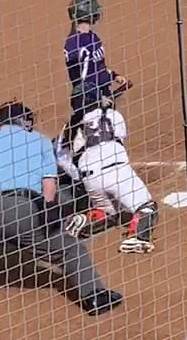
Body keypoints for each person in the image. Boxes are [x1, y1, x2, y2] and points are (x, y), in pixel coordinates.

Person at [0, 101, 122, 315]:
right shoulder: (40, 141)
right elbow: (49, 188)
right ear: (25, 122)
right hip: (24, 210)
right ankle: (94, 297)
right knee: (70, 248)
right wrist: (50, 219)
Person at [65, 94, 159, 254]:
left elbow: (64, 157)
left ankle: (83, 220)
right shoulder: (113, 115)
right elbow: (119, 136)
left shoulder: (71, 125)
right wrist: (108, 107)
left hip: (90, 178)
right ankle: (137, 237)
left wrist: (79, 179)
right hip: (117, 171)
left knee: (110, 213)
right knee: (147, 207)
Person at [63, 0, 134, 133]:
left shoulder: (93, 37)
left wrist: (114, 76)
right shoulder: (74, 44)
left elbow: (98, 66)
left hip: (102, 94)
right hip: (87, 100)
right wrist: (97, 98)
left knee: (111, 131)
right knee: (93, 137)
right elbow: (78, 80)